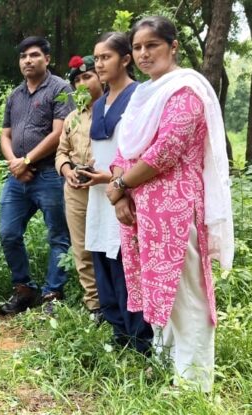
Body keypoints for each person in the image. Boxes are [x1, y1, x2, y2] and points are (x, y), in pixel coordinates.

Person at [106, 16, 233, 391]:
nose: (144, 54)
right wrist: (121, 197)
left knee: (187, 294)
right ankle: (169, 365)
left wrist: (118, 187)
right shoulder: (145, 95)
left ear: (173, 47)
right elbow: (123, 149)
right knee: (160, 290)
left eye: (153, 45)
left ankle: (194, 384)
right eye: (139, 47)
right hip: (142, 209)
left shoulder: (186, 91)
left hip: (177, 211)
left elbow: (165, 152)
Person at [74, 33, 153, 353]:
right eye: (97, 58)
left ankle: (140, 340)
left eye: (106, 57)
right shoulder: (100, 101)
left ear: (125, 59)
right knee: (102, 261)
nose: (99, 63)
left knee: (126, 265)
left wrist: (114, 181)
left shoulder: (140, 96)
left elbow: (143, 153)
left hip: (126, 193)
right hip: (99, 195)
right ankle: (118, 331)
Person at [0, 37, 74, 315]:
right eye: (23, 57)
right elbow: (5, 134)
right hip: (17, 178)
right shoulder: (15, 95)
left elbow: (59, 133)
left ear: (47, 58)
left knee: (58, 235)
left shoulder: (60, 88)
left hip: (50, 175)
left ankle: (53, 294)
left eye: (33, 55)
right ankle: (24, 289)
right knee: (8, 232)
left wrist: (28, 160)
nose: (27, 61)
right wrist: (15, 163)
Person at [54, 54, 102, 318]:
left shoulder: (112, 109)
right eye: (77, 80)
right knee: (82, 248)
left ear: (100, 77)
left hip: (106, 186)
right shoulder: (72, 117)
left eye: (88, 76)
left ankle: (119, 302)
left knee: (109, 246)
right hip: (76, 187)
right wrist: (66, 170)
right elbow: (61, 151)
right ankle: (94, 305)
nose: (82, 83)